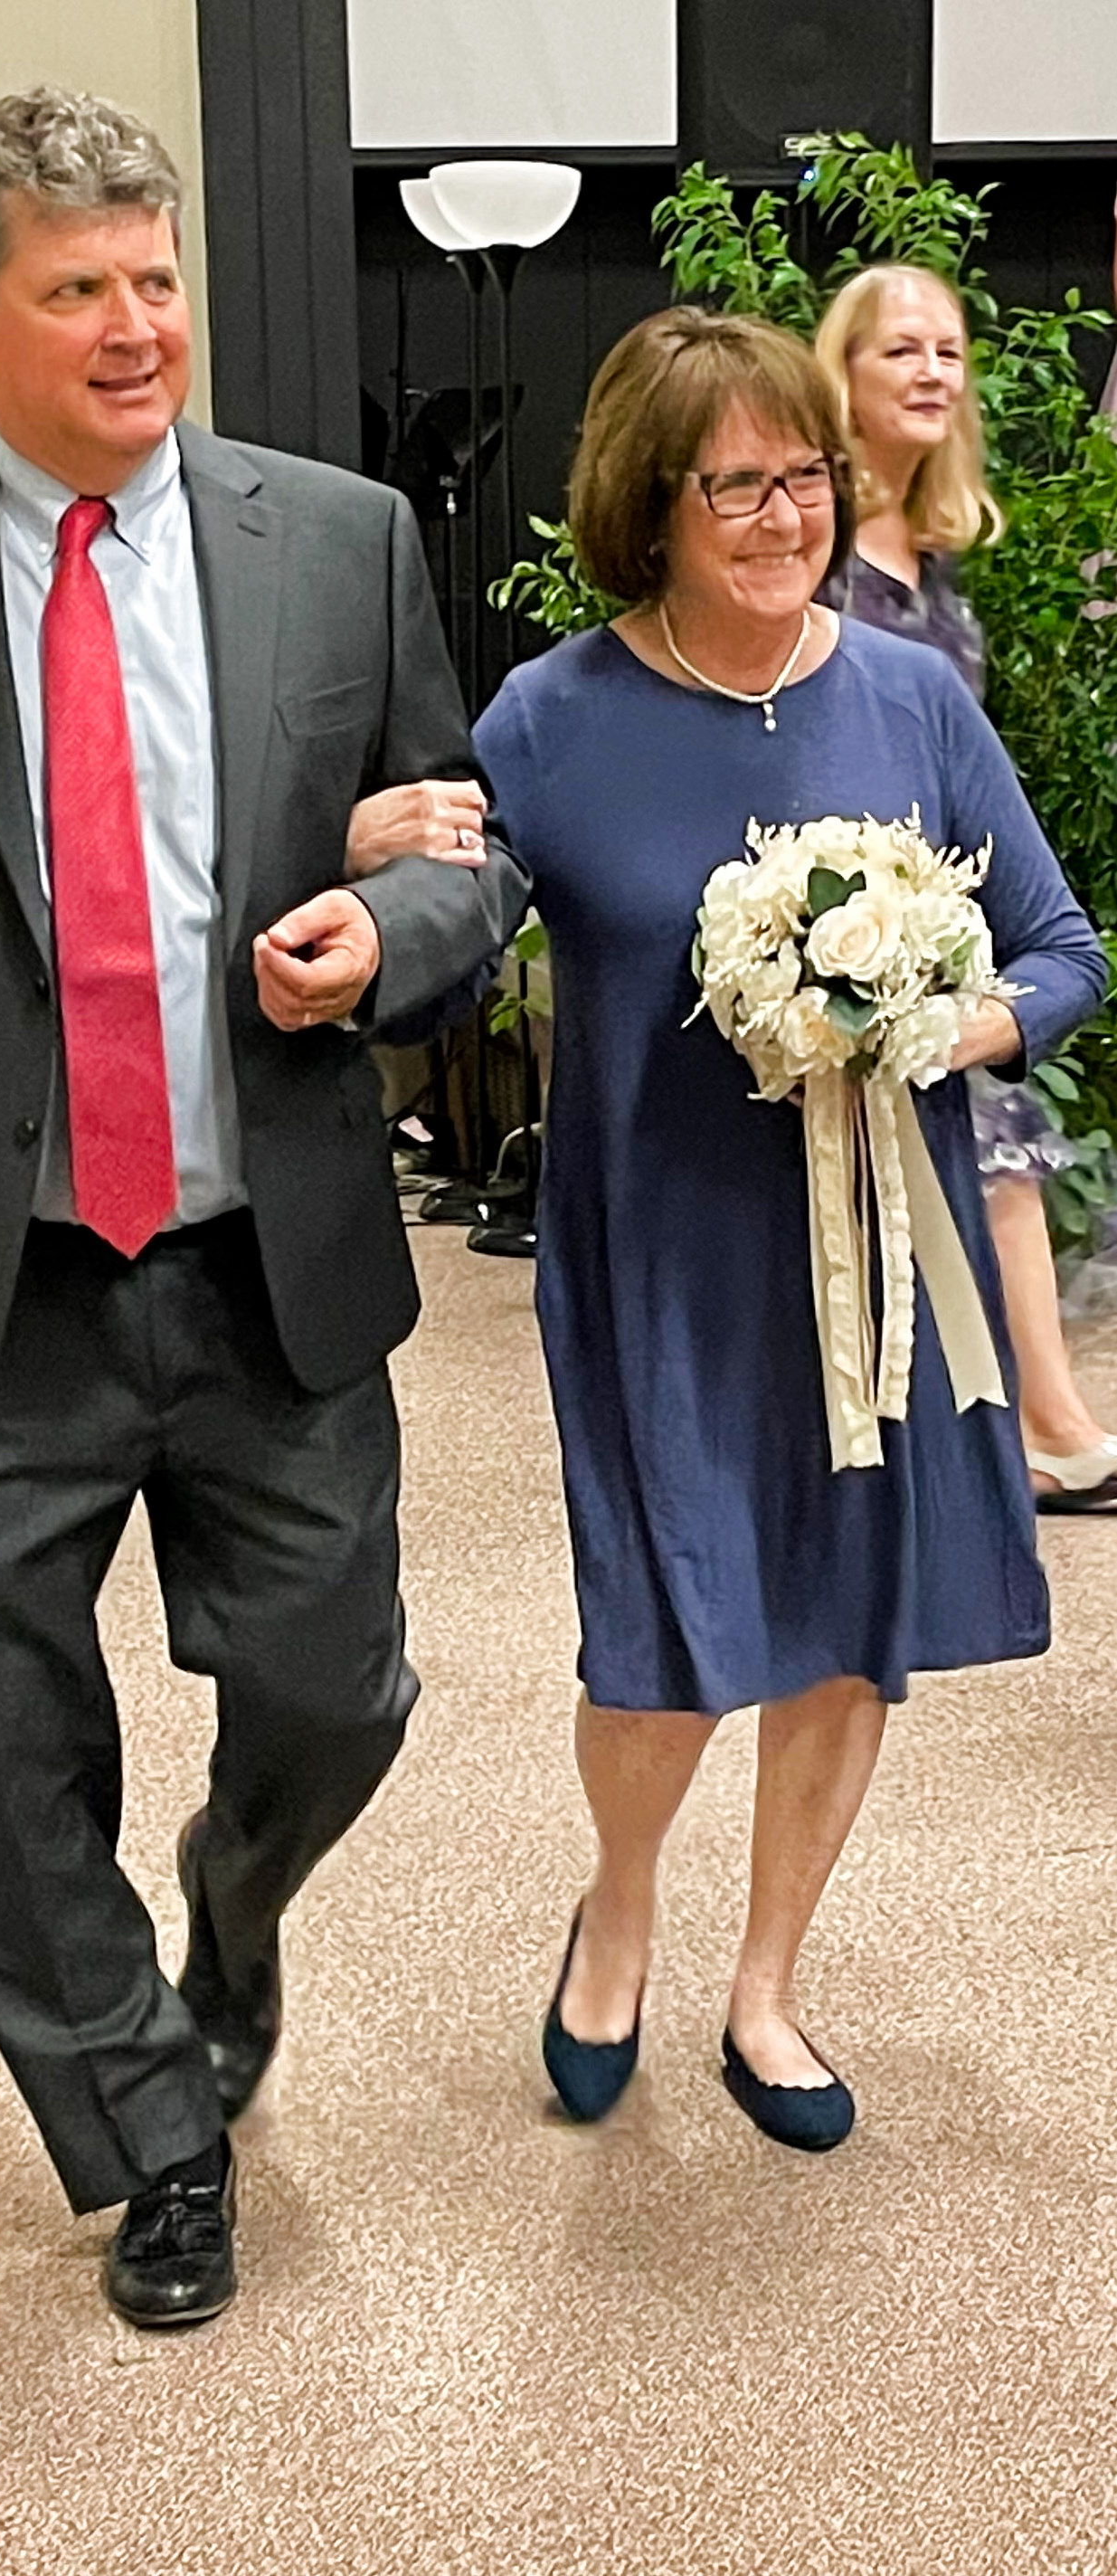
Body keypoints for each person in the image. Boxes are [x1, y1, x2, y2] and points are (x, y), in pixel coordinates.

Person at [0, 87, 526, 2328]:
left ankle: (231, 1902)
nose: (139, 325)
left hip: (268, 1252)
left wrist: (389, 933)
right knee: (5, 1747)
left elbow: (460, 845)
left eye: (157, 278)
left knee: (339, 1687)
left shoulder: (335, 538)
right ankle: (156, 2127)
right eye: (80, 290)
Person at [467, 309, 1104, 2152]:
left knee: (841, 1627)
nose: (781, 515)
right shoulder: (551, 719)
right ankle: (620, 1903)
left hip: (882, 1264)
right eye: (732, 484)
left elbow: (1061, 950)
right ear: (648, 505)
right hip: (658, 1260)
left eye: (802, 475)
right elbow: (442, 924)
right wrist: (374, 882)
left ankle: (766, 1985)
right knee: (662, 1639)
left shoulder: (908, 699)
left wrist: (940, 1021)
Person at [816, 264, 1117, 1513]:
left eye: (947, 351)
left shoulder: (929, 554)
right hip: (844, 917)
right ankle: (1038, 1423)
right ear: (842, 375)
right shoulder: (815, 545)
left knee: (1004, 1161)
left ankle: (1042, 1421)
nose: (933, 371)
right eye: (901, 350)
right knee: (992, 1164)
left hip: (941, 916)